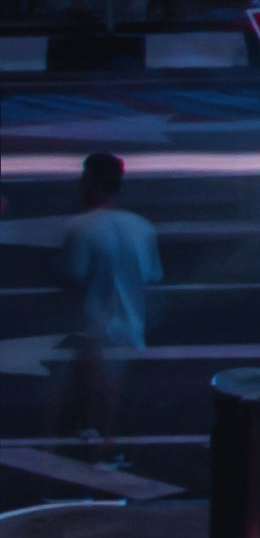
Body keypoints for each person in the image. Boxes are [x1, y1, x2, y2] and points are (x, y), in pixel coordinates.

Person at [55, 151, 156, 459]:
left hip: (94, 324)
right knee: (110, 390)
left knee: (91, 393)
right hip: (131, 322)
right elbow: (150, 276)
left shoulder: (81, 228)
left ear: (91, 183)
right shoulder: (141, 227)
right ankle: (106, 443)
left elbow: (73, 275)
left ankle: (96, 446)